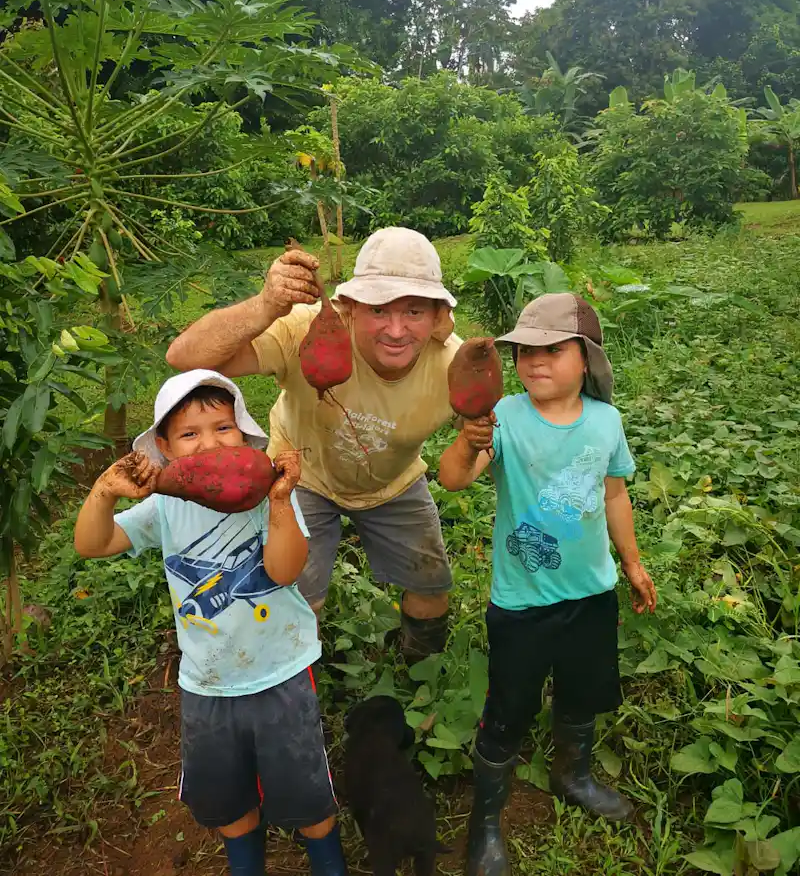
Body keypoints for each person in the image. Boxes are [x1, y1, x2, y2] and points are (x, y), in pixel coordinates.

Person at [74, 370, 346, 876]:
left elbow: (284, 571)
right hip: (208, 683)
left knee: (306, 794)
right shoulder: (165, 505)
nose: (210, 443)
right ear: (165, 449)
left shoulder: (270, 494)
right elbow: (93, 543)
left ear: (243, 434)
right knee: (227, 800)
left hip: (282, 672)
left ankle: (328, 863)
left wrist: (280, 501)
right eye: (189, 434)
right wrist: (105, 491)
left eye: (223, 428)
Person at [166, 228, 461, 662]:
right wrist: (266, 305)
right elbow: (184, 357)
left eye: (414, 311)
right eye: (379, 309)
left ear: (437, 316)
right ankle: (297, 678)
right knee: (294, 593)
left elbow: (487, 442)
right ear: (351, 307)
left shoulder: (454, 366)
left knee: (431, 585)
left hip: (394, 483)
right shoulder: (306, 330)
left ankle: (421, 673)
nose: (396, 330)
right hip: (299, 475)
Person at [438, 294, 657, 876]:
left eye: (552, 350)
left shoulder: (605, 422)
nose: (534, 361)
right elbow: (454, 479)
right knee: (509, 707)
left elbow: (614, 494)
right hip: (523, 602)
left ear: (586, 359)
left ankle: (572, 774)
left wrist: (632, 563)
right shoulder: (503, 416)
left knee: (583, 692)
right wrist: (468, 439)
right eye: (524, 351)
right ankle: (486, 823)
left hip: (591, 593)